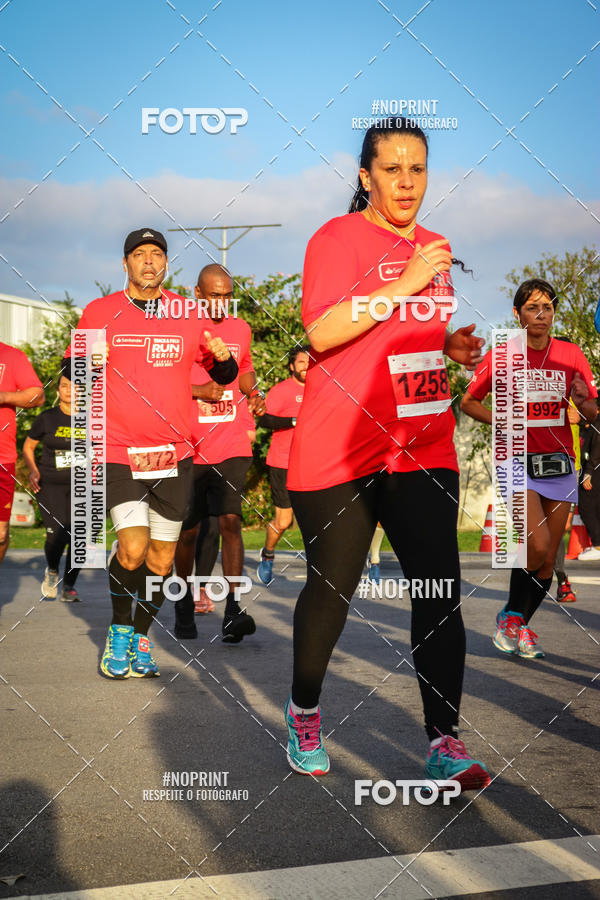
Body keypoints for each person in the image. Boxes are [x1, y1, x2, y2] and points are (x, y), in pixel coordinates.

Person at [284, 118, 490, 789]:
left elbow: (402, 340)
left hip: (421, 445)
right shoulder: (335, 239)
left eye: (419, 168)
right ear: (366, 176)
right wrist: (404, 284)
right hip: (341, 448)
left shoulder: (435, 247)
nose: (408, 181)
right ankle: (306, 711)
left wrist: (449, 349)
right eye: (393, 169)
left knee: (439, 593)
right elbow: (321, 329)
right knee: (334, 588)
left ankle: (444, 739)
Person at [66, 228, 237, 678]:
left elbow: (226, 371)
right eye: (138, 254)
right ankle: (119, 632)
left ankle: (142, 635)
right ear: (125, 264)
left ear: (166, 264)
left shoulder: (187, 312)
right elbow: (73, 370)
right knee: (133, 548)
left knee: (161, 560)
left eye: (156, 254)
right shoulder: (100, 312)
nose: (147, 261)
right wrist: (83, 367)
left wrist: (221, 357)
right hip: (120, 449)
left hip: (174, 454)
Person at [461, 278, 598, 658]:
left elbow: (589, 406)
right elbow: (468, 402)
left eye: (548, 307)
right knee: (534, 546)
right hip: (515, 461)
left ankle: (516, 621)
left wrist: (585, 403)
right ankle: (513, 619)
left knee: (547, 559)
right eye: (532, 307)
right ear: (517, 314)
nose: (541, 315)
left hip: (559, 464)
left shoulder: (571, 354)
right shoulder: (503, 354)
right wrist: (501, 420)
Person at [173, 264, 264, 642]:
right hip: (190, 444)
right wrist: (198, 392)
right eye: (214, 294)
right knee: (190, 531)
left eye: (227, 295)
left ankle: (233, 609)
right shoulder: (181, 329)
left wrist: (254, 393)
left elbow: (244, 370)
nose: (221, 302)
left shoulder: (240, 329)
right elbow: (164, 380)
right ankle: (181, 603)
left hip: (231, 443)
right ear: (197, 293)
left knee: (230, 522)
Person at [23, 362, 81, 601]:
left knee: (82, 538)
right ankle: (53, 570)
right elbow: (28, 446)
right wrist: (33, 470)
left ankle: (68, 586)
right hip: (50, 484)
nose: (69, 390)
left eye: (74, 386)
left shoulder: (93, 420)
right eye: (64, 386)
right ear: (58, 390)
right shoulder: (47, 418)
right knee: (56, 532)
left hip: (82, 486)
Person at [256, 345, 309, 585]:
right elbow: (264, 418)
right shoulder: (281, 391)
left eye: (309, 362)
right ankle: (267, 555)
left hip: (312, 464)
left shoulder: (321, 389)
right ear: (291, 366)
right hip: (282, 462)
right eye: (301, 362)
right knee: (284, 521)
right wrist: (293, 420)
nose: (306, 366)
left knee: (316, 518)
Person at [0, 343, 45, 565]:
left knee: (0, 535)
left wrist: (3, 396)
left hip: (2, 457)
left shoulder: (11, 356)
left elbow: (37, 396)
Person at [577, 413, 600, 560]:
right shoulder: (590, 424)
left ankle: (598, 546)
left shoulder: (597, 426)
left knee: (586, 506)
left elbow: (597, 450)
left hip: (594, 470)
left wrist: (588, 472)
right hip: (592, 468)